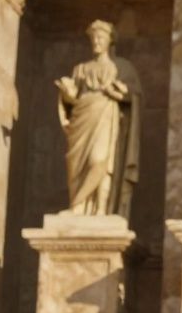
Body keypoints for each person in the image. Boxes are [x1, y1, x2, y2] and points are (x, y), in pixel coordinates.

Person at [54, 19, 141, 218]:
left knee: (101, 161)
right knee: (79, 167)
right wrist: (67, 94)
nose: (96, 42)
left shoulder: (122, 67)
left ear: (111, 41)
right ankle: (77, 207)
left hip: (106, 114)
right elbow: (72, 98)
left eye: (101, 38)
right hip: (82, 117)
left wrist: (117, 92)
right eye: (93, 38)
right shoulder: (81, 68)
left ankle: (102, 209)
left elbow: (134, 95)